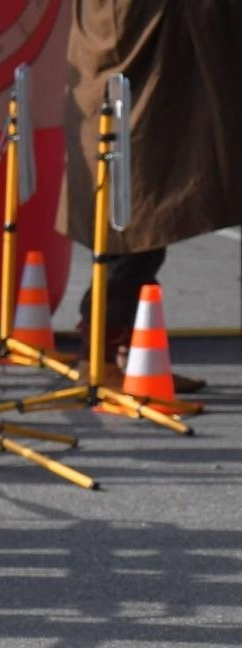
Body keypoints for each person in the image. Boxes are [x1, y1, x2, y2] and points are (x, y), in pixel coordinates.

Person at [59, 0, 241, 393]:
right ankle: (101, 359)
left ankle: (125, 353)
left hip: (132, 106)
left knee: (139, 234)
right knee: (132, 235)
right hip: (132, 112)